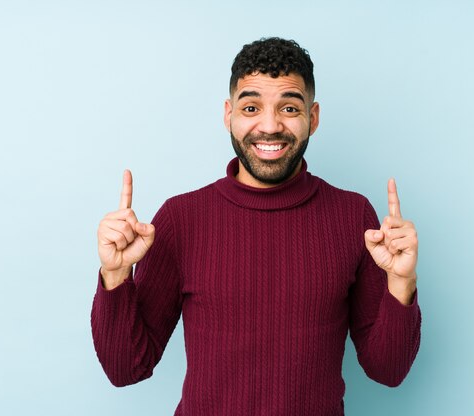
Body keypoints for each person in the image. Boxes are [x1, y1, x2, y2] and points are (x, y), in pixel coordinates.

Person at [91, 37, 421, 415]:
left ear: (312, 118)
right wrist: (115, 276)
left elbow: (388, 371)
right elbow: (125, 370)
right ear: (228, 115)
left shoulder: (354, 217)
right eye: (251, 107)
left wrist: (401, 284)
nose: (269, 125)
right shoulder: (181, 219)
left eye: (289, 108)